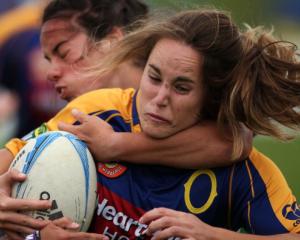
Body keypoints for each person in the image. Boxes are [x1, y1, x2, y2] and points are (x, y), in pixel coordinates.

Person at [22, 8, 300, 239]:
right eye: (154, 77)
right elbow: (12, 166)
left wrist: (212, 235)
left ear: (211, 98)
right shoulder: (98, 112)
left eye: (182, 88)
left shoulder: (245, 173)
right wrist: (37, 237)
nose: (159, 98)